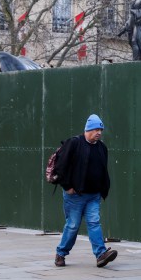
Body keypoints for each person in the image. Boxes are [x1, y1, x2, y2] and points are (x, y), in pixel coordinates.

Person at [53, 114, 117, 268]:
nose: (99, 133)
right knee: (73, 225)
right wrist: (67, 187)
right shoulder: (74, 143)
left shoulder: (102, 147)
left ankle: (101, 254)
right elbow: (61, 166)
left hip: (93, 195)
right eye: (96, 129)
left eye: (101, 130)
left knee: (94, 222)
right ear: (88, 129)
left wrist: (102, 190)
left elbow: (103, 170)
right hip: (75, 196)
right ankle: (60, 254)